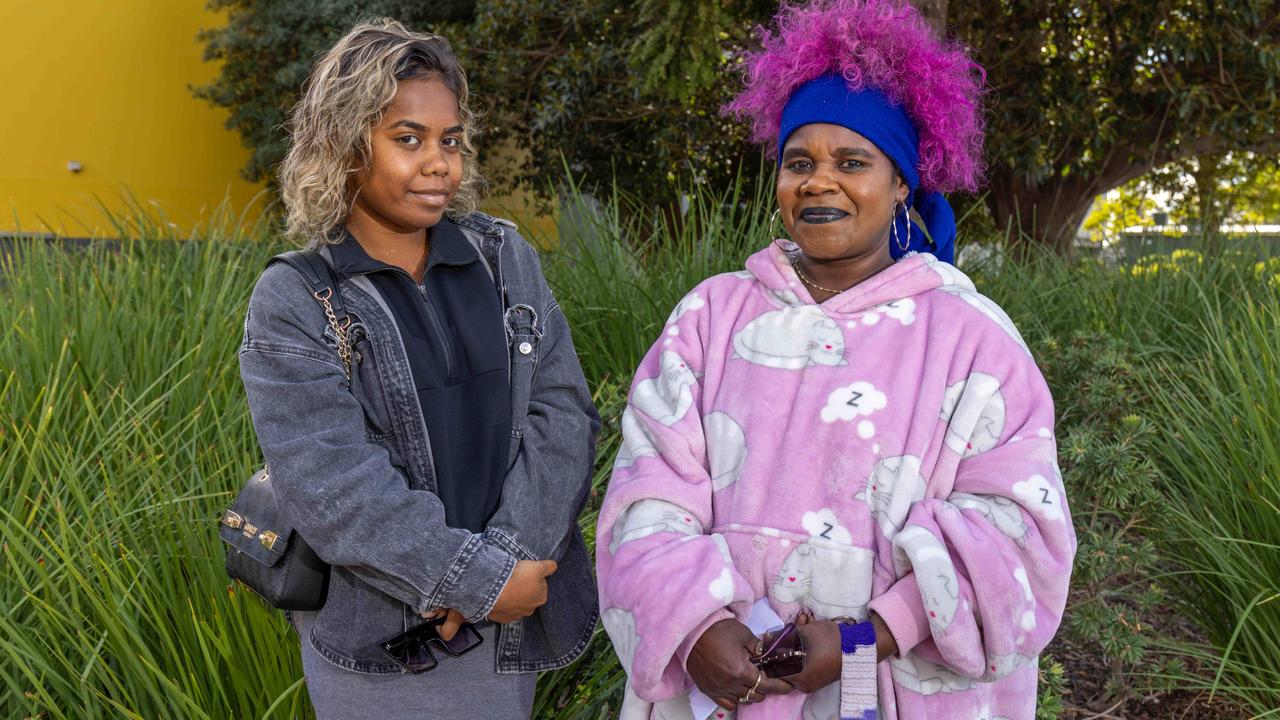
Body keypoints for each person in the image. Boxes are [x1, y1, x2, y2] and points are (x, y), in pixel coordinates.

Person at [595, 1, 1076, 718]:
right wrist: (694, 625)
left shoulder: (971, 338)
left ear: (903, 182)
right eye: (799, 162)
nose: (819, 182)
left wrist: (875, 632)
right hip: (728, 690)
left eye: (853, 162)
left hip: (892, 686)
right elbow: (647, 491)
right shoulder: (711, 318)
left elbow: (1021, 532)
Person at [238, 19, 599, 719]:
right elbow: (334, 487)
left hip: (505, 629)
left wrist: (502, 572)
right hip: (381, 647)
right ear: (343, 146)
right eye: (408, 139)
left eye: (450, 141)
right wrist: (475, 579)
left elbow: (562, 414)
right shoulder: (296, 297)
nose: (440, 163)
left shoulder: (501, 258)